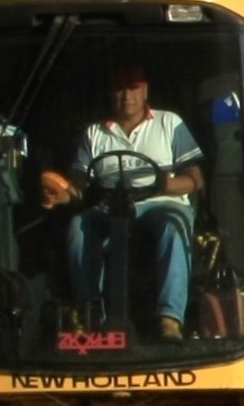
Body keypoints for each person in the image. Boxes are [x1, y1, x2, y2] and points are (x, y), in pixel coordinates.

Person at [39, 63, 205, 339]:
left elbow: (196, 179)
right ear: (110, 93)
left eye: (133, 88)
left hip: (161, 202)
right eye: (119, 89)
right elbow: (79, 187)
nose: (126, 96)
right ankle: (91, 315)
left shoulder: (169, 123)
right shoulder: (95, 133)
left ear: (145, 90)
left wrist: (167, 184)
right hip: (110, 205)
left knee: (174, 225)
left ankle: (170, 319)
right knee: (79, 226)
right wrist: (61, 195)